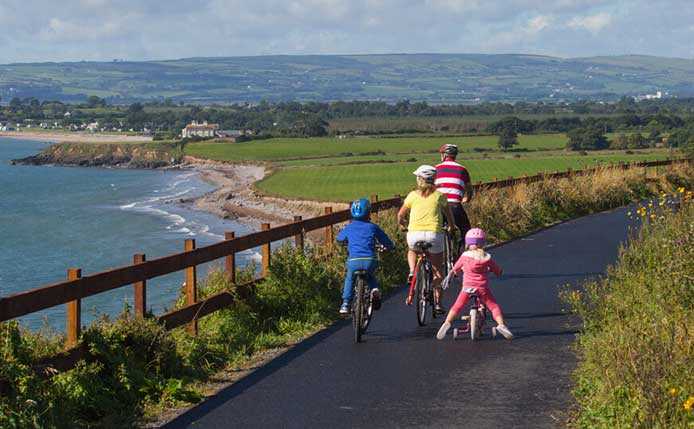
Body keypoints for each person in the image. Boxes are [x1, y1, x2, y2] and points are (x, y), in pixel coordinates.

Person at [397, 165, 456, 315]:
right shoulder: (439, 196)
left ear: (420, 180)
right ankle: (437, 302)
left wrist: (402, 225)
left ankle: (412, 271)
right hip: (434, 235)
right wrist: (451, 227)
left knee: (412, 250)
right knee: (437, 270)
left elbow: (400, 215)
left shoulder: (412, 195)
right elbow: (449, 216)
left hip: (414, 234)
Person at [436, 228, 513, 340]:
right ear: (483, 243)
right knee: (493, 306)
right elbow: (497, 270)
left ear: (468, 243)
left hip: (467, 288)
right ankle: (501, 325)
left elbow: (455, 268)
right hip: (482, 289)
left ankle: (447, 323)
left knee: (457, 306)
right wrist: (498, 271)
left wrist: (453, 273)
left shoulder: (465, 256)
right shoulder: (486, 258)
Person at [337, 198, 395, 315]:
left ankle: (345, 303)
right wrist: (389, 247)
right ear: (369, 212)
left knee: (350, 278)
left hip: (354, 261)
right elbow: (387, 242)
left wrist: (346, 242)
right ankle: (374, 289)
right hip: (370, 260)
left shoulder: (349, 227)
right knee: (370, 276)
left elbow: (339, 239)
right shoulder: (373, 227)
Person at [435, 144, 473, 255]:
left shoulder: (435, 169)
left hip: (438, 207)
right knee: (466, 231)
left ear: (443, 155)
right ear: (455, 156)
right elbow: (469, 189)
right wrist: (467, 198)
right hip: (455, 206)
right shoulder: (462, 169)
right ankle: (460, 257)